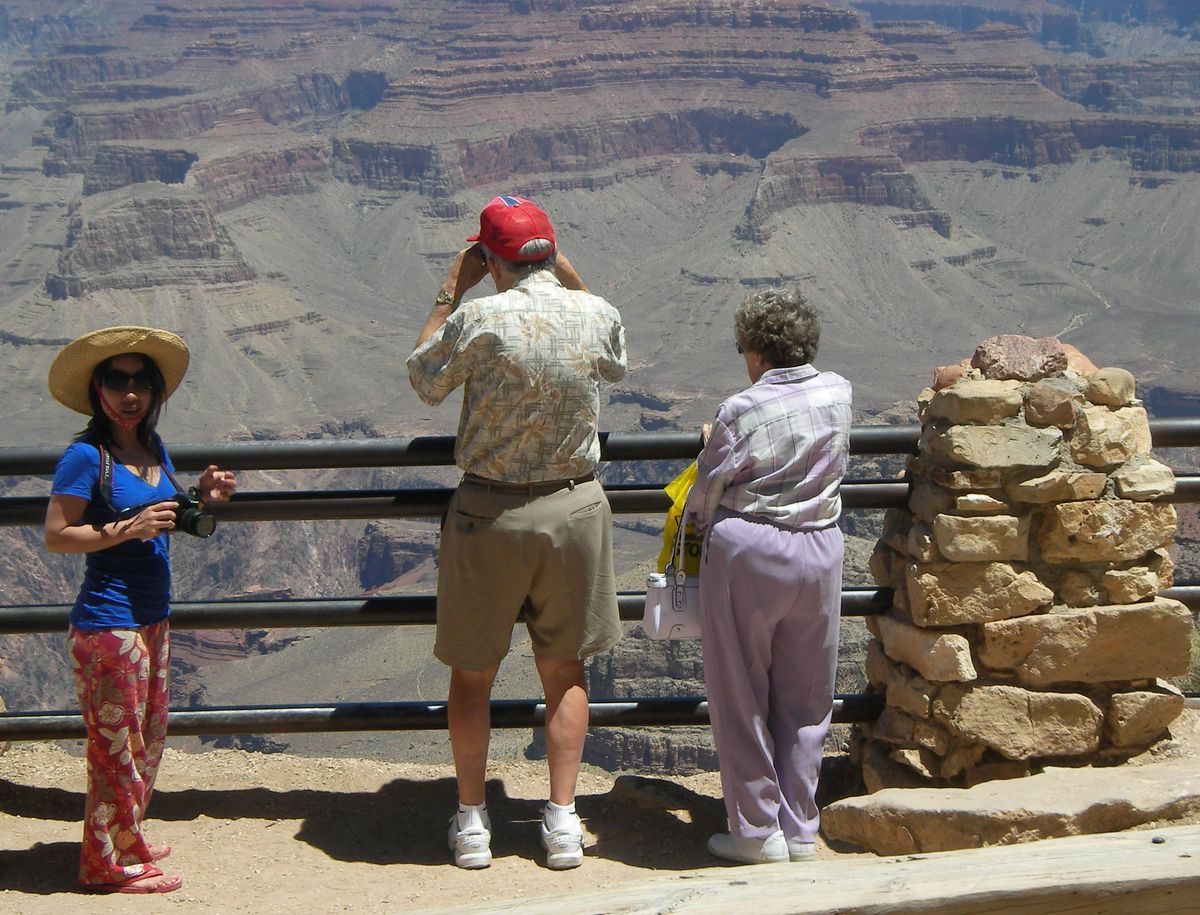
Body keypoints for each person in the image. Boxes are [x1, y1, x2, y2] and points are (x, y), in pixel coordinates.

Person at [407, 195, 626, 869]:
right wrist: (569, 274)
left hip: (489, 515)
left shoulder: (479, 315)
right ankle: (562, 821)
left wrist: (451, 287)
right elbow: (614, 358)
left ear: (490, 258)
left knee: (473, 674)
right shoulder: (595, 313)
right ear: (550, 252)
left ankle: (474, 822)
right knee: (565, 671)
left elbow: (423, 378)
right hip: (573, 511)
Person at [44, 326, 236, 893]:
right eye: (117, 380)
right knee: (114, 750)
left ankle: (126, 837)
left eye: (142, 382)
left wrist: (200, 498)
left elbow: (167, 515)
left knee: (146, 739)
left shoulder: (151, 449)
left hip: (153, 617)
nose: (131, 393)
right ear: (96, 390)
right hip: (109, 624)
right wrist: (119, 530)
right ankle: (102, 866)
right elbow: (57, 534)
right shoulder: (86, 456)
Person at [688, 289, 851, 865]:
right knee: (808, 696)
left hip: (751, 550)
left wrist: (713, 449)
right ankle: (802, 830)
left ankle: (757, 834)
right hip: (823, 550)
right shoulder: (840, 391)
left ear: (756, 352)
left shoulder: (739, 409)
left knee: (741, 694)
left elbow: (705, 495)